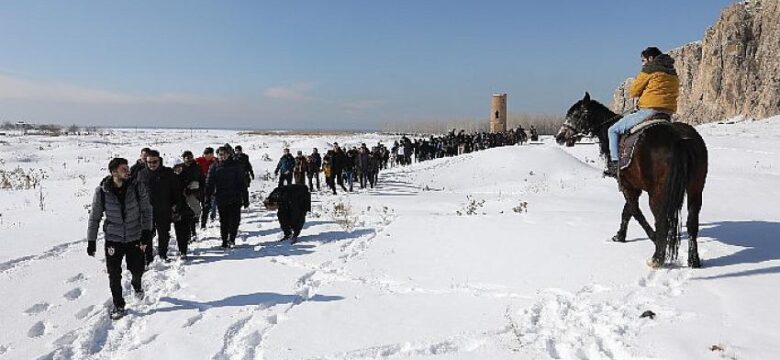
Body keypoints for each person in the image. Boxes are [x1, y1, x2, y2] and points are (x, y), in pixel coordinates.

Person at [87, 157, 153, 320]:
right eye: (123, 168)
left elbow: (147, 210)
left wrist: (146, 233)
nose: (128, 171)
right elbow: (94, 217)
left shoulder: (137, 187)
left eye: (127, 167)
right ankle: (119, 305)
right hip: (113, 239)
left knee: (137, 269)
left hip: (134, 237)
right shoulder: (102, 191)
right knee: (114, 274)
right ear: (114, 172)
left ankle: (137, 285)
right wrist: (91, 240)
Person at [605, 47, 679, 177]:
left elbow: (633, 91)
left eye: (643, 60)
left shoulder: (649, 70)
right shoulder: (673, 73)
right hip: (667, 113)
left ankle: (614, 164)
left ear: (650, 59)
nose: (642, 63)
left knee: (613, 130)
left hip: (649, 111)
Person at [136, 150, 180, 263]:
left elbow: (176, 191)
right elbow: (137, 192)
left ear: (159, 160)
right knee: (146, 235)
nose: (152, 164)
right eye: (149, 162)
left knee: (163, 234)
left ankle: (162, 254)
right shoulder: (141, 174)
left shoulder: (168, 173)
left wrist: (176, 206)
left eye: (154, 161)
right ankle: (148, 257)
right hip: (147, 211)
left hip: (163, 209)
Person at [206, 145, 249, 248]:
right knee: (224, 220)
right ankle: (224, 240)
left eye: (225, 154)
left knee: (235, 220)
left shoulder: (236, 165)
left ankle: (232, 239)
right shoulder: (214, 167)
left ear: (229, 154)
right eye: (220, 154)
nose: (222, 156)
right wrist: (207, 198)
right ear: (217, 155)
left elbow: (242, 183)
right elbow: (209, 184)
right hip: (221, 197)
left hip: (235, 196)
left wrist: (245, 198)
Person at [171, 160, 195, 259]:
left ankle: (183, 249)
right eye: (176, 167)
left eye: (180, 167)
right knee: (179, 230)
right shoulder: (169, 179)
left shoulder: (187, 176)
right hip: (176, 208)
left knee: (185, 229)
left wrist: (191, 190)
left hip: (187, 206)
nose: (178, 169)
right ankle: (182, 250)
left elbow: (197, 187)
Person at [181, 151, 202, 240]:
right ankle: (188, 234)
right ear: (184, 159)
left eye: (190, 157)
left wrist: (200, 191)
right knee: (185, 215)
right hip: (183, 194)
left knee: (193, 213)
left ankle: (193, 232)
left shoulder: (197, 167)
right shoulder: (180, 168)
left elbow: (202, 180)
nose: (189, 160)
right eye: (187, 158)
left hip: (195, 194)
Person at [196, 147, 218, 227]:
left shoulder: (215, 161)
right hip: (201, 185)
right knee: (202, 204)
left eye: (210, 154)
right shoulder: (199, 160)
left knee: (210, 203)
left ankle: (207, 221)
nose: (208, 156)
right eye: (206, 154)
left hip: (212, 185)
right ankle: (198, 219)